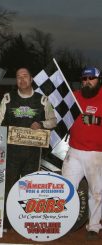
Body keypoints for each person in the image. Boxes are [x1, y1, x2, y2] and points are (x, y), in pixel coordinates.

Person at [0, 67, 57, 230]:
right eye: (18, 77)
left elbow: (53, 121)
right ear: (16, 81)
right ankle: (6, 222)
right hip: (11, 152)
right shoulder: (8, 98)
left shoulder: (42, 100)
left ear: (31, 79)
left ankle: (25, 222)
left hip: (33, 153)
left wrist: (42, 124)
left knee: (29, 188)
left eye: (25, 76)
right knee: (8, 187)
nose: (22, 80)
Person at [62, 67, 102, 241]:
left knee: (96, 192)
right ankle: (64, 222)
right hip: (74, 151)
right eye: (84, 78)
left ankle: (93, 226)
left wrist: (96, 120)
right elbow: (61, 114)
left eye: (91, 78)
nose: (87, 81)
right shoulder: (74, 96)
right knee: (66, 188)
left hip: (96, 153)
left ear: (98, 80)